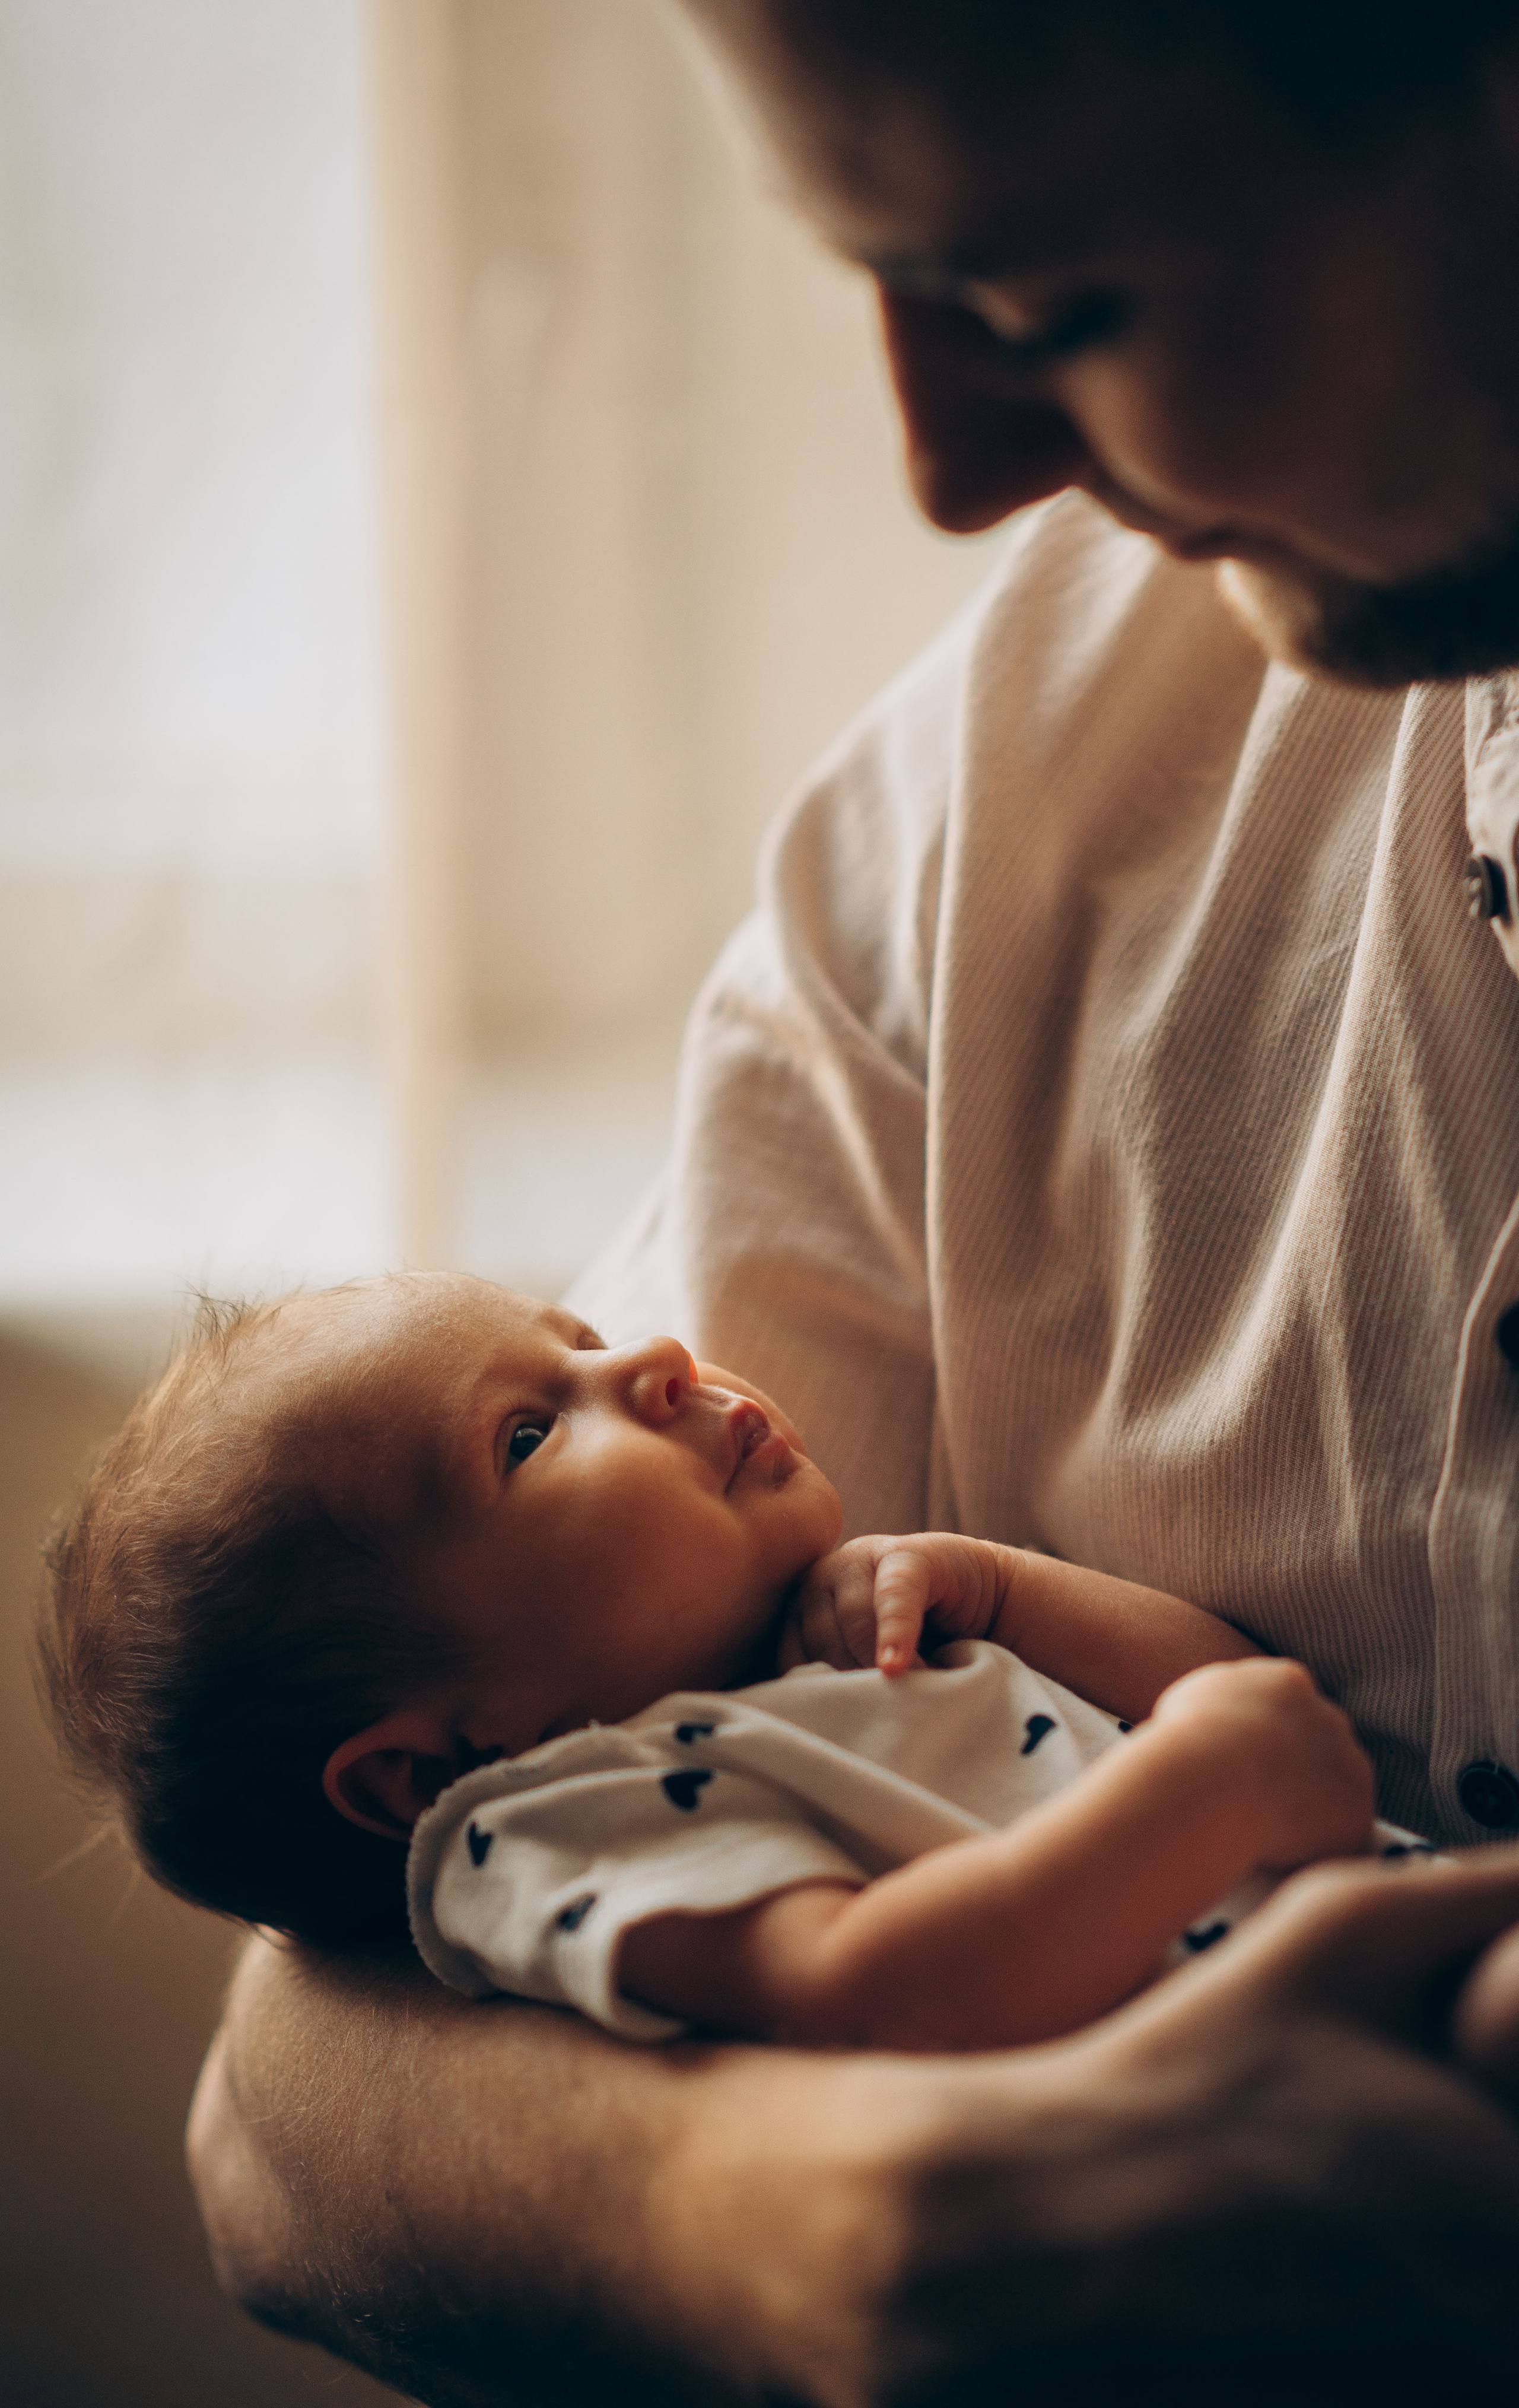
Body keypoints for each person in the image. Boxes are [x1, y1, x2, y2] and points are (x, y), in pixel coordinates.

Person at [186, 1, 1519, 2396]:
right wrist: (835, 2232)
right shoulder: (1037, 756)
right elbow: (287, 2104)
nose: (955, 468)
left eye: (1054, 302)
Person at [44, 1273, 1391, 2048]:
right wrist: (1205, 1791)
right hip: (1267, 2081)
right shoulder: (563, 1831)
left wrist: (1005, 1591)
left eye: (580, 1337)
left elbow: (1254, 1707)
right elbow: (879, 1991)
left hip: (1361, 1963)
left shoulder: (852, 1626)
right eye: (526, 1434)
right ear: (432, 1766)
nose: (658, 1359)